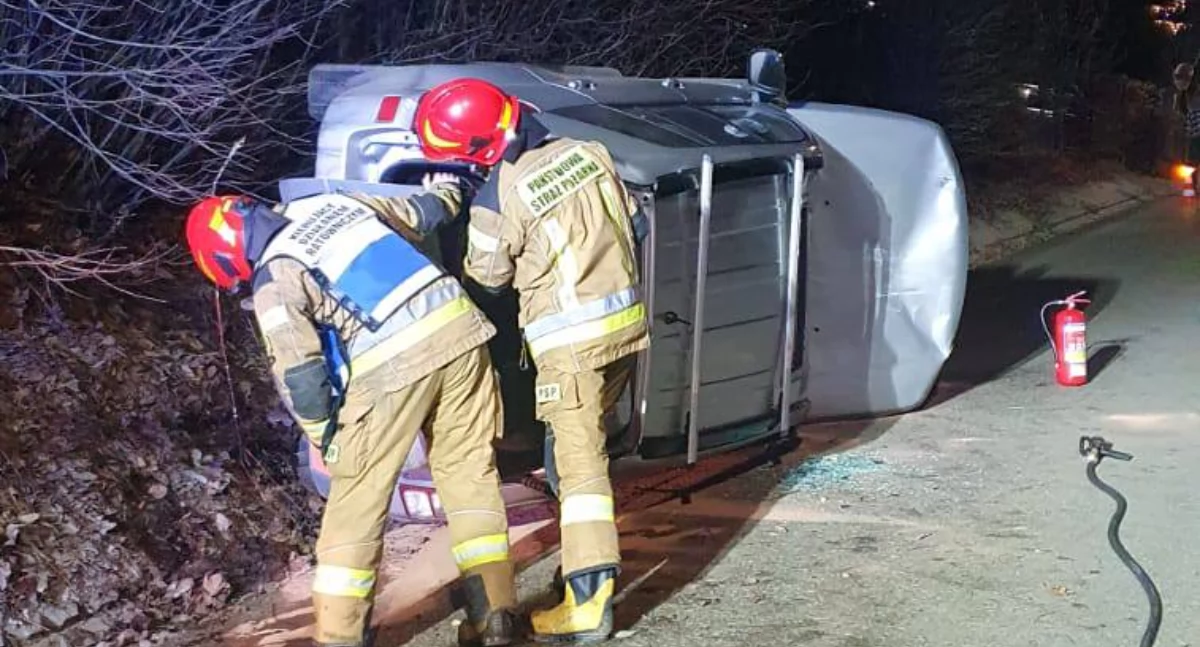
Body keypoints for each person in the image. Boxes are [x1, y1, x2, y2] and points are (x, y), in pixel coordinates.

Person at [182, 176, 519, 647]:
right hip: (461, 331)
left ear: (225, 257)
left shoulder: (275, 277)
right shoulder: (332, 204)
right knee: (469, 478)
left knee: (354, 508)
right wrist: (447, 187)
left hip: (392, 363)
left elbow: (301, 375)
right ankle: (496, 615)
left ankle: (340, 637)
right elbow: (424, 212)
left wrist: (327, 437)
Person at [412, 78, 650, 643]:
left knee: (580, 467)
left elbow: (486, 276)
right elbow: (635, 221)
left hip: (568, 344)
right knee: (577, 456)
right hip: (624, 329)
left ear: (478, 151)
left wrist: (465, 209)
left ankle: (589, 606)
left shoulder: (503, 190)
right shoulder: (589, 153)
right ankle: (582, 571)